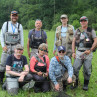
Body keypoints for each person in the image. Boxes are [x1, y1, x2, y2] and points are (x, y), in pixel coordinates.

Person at [72, 16, 97, 91]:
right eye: (81, 21)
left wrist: (90, 50)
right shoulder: (77, 30)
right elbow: (73, 41)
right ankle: (75, 83)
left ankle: (86, 84)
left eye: (84, 21)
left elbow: (96, 41)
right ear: (80, 22)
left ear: (87, 21)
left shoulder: (91, 30)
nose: (83, 22)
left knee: (87, 69)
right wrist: (73, 52)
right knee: (75, 68)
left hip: (88, 52)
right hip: (79, 52)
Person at [0, 10, 24, 84]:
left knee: (15, 63)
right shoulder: (5, 24)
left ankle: (14, 79)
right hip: (7, 46)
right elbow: (1, 35)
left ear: (17, 17)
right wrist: (3, 45)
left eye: (15, 15)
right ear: (10, 16)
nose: (14, 17)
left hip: (16, 48)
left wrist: (21, 49)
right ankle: (1, 80)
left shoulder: (20, 26)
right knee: (3, 64)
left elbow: (22, 38)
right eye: (13, 15)